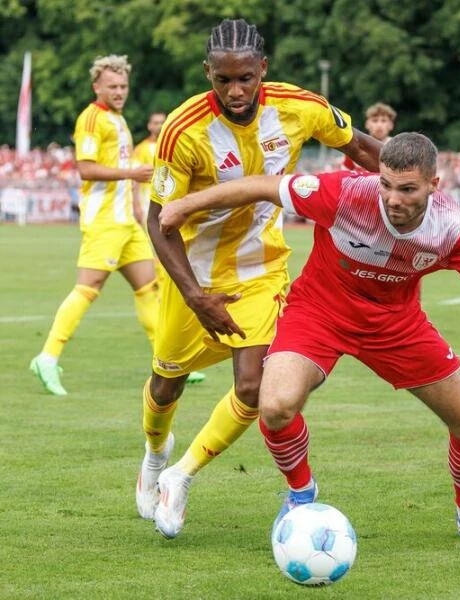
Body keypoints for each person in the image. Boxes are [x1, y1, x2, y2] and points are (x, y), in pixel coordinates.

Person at [159, 132, 460, 545]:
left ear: (433, 184)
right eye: (386, 185)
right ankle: (301, 496)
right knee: (274, 405)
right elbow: (260, 185)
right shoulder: (344, 192)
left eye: (407, 189)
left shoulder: (453, 227)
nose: (392, 199)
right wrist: (186, 205)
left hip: (396, 325)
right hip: (319, 312)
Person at [138, 18, 382, 538]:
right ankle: (156, 454)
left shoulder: (301, 107)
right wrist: (194, 294)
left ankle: (182, 475)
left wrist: (418, 181)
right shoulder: (184, 131)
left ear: (262, 69)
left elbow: (361, 148)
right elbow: (158, 220)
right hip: (194, 274)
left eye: (246, 77)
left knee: (253, 385)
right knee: (166, 382)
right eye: (223, 80)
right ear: (208, 73)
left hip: (261, 267)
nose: (236, 90)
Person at [29, 55, 157, 396]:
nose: (119, 92)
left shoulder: (118, 119)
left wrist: (133, 208)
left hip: (125, 222)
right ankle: (47, 356)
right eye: (112, 86)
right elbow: (85, 168)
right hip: (102, 220)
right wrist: (132, 174)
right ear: (96, 86)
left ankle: (168, 363)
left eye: (123, 86)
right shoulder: (90, 119)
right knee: (88, 288)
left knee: (149, 287)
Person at [133, 112, 207, 385]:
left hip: (170, 218)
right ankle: (172, 357)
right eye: (153, 122)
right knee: (164, 287)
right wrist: (137, 207)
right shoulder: (141, 149)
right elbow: (134, 183)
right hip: (153, 220)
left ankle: (172, 357)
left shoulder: (174, 141)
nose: (157, 126)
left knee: (163, 288)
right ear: (148, 125)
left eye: (160, 122)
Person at [342, 101, 396, 171]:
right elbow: (345, 176)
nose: (379, 125)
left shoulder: (398, 148)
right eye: (375, 120)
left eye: (384, 121)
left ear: (391, 125)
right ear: (367, 124)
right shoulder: (354, 146)